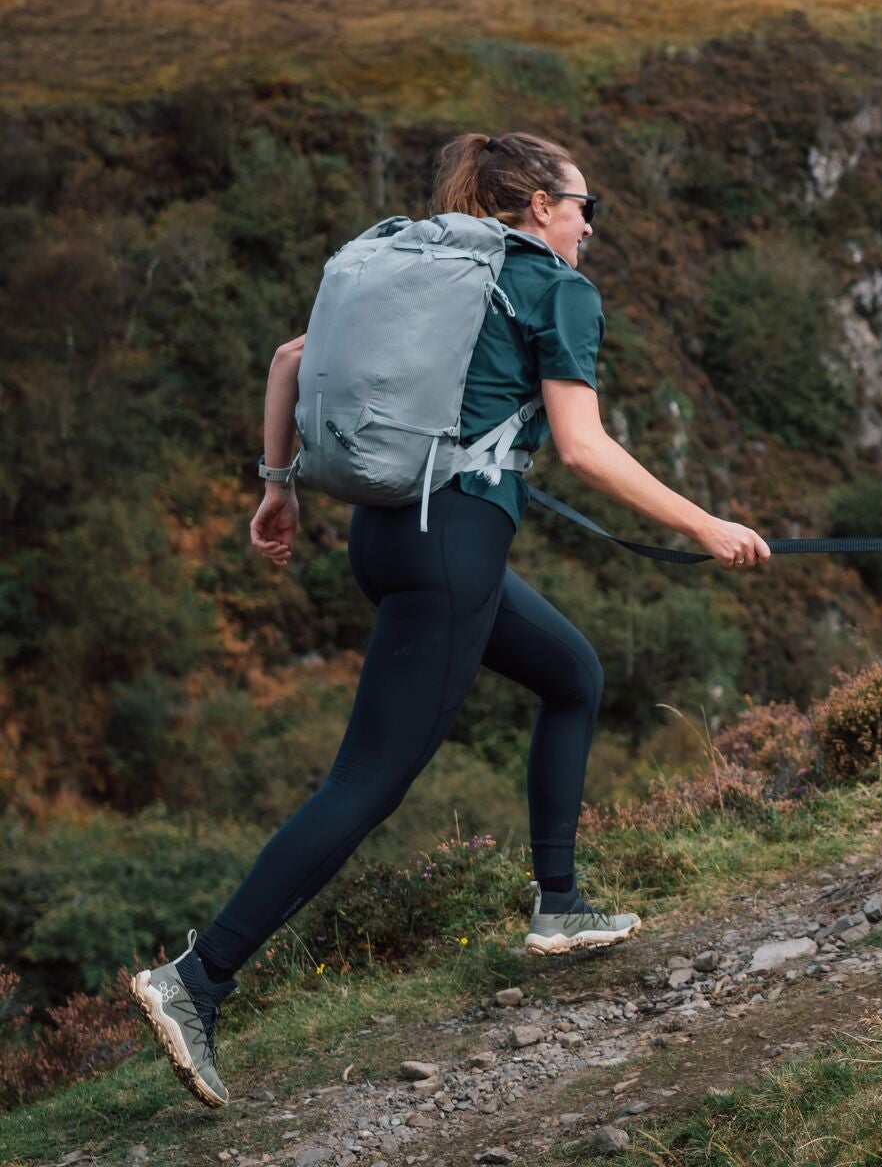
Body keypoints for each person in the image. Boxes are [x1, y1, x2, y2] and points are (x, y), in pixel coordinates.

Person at [128, 131, 771, 1108]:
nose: (592, 224)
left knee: (572, 675)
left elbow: (291, 359)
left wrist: (278, 490)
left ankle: (558, 905)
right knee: (361, 786)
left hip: (387, 534)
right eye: (585, 205)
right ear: (536, 205)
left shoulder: (433, 265)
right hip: (449, 549)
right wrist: (707, 524)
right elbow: (585, 448)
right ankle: (198, 981)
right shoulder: (554, 288)